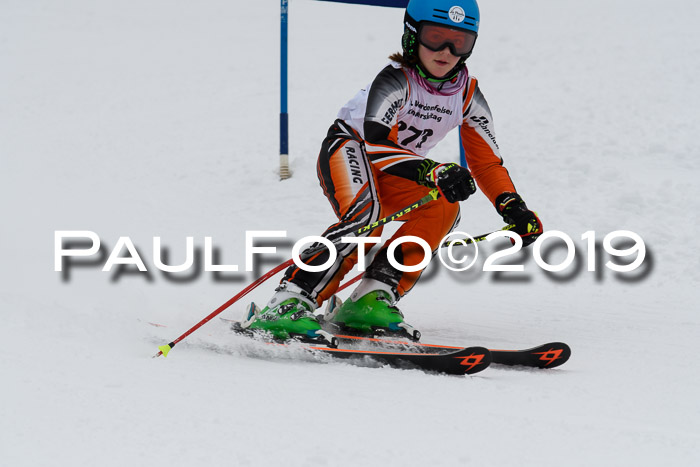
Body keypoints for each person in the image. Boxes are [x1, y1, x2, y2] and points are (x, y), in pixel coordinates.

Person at [240, 0, 542, 345]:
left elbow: (487, 162)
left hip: (401, 167)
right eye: (435, 37)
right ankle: (289, 300)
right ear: (412, 37)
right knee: (367, 218)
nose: (446, 51)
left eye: (459, 42)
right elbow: (377, 143)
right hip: (350, 148)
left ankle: (371, 297)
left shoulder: (468, 95)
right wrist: (434, 170)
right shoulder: (396, 80)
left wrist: (512, 207)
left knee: (444, 207)